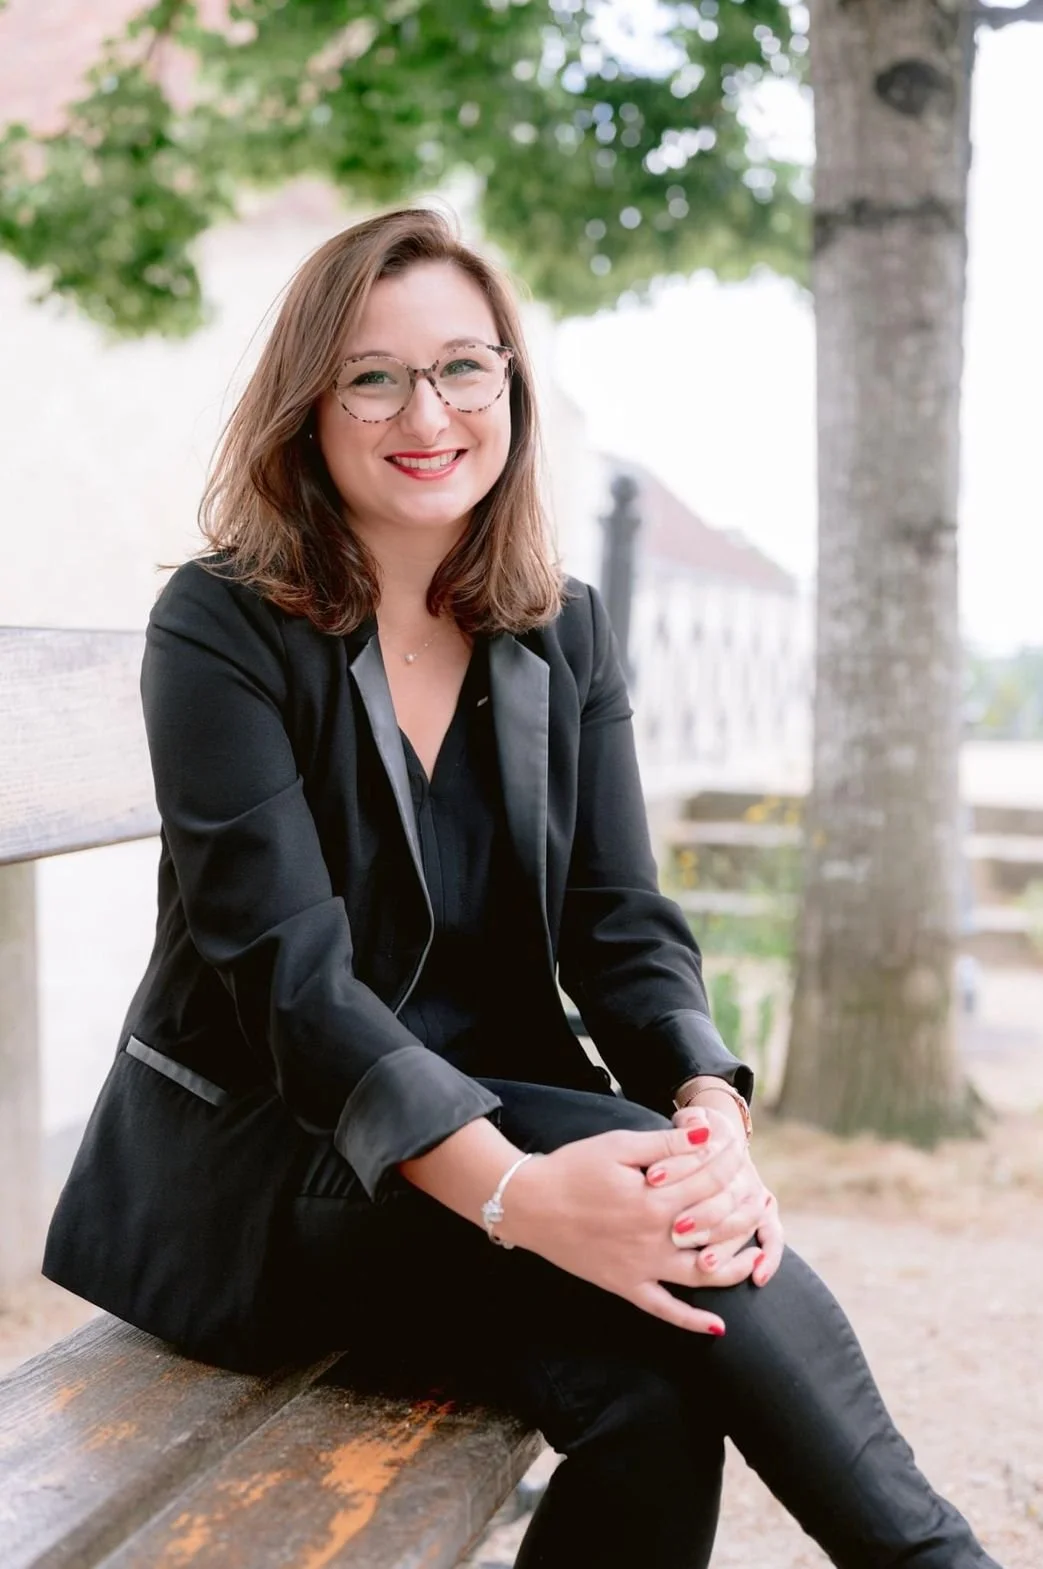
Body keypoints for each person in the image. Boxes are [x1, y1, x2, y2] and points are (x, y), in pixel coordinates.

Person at [44, 208, 1002, 1569]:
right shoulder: (219, 625)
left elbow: (621, 923)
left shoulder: (562, 626)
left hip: (504, 1143)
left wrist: (704, 1112)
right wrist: (521, 1195)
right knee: (681, 1253)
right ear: (308, 406)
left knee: (656, 1393)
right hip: (270, 1177)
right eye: (371, 376)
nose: (423, 412)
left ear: (510, 387)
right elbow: (290, 979)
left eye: (462, 368)